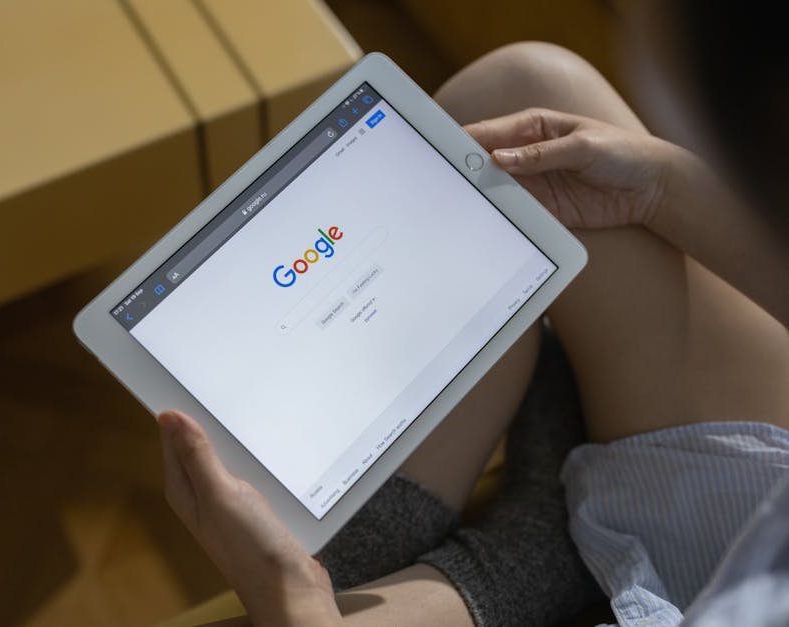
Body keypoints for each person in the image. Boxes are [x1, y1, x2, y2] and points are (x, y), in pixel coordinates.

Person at [156, 0, 789, 624]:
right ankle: (556, 536)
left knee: (301, 542)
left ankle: (542, 546)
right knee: (524, 95)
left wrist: (290, 603)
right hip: (753, 496)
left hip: (705, 579)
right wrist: (660, 186)